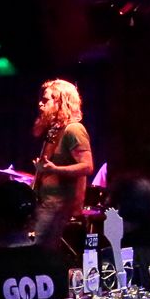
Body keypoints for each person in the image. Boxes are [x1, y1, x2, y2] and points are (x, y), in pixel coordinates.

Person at [30, 78, 94, 247]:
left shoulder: (74, 129)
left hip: (58, 208)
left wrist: (55, 169)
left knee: (40, 251)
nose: (40, 104)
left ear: (61, 102)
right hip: (47, 205)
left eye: (46, 100)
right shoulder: (55, 130)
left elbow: (87, 166)